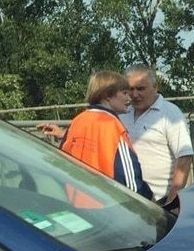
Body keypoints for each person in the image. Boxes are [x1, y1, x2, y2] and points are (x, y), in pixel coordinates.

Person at [45, 71, 152, 199]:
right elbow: (131, 182)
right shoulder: (113, 126)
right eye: (124, 93)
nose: (129, 98)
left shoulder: (78, 120)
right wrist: (146, 198)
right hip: (106, 205)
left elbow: (62, 161)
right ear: (107, 96)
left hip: (74, 202)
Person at [119, 65, 194, 205]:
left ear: (155, 87)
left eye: (141, 89)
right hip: (128, 200)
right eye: (130, 89)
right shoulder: (123, 113)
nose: (135, 95)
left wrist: (172, 203)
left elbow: (184, 158)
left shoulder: (170, 114)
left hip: (159, 201)